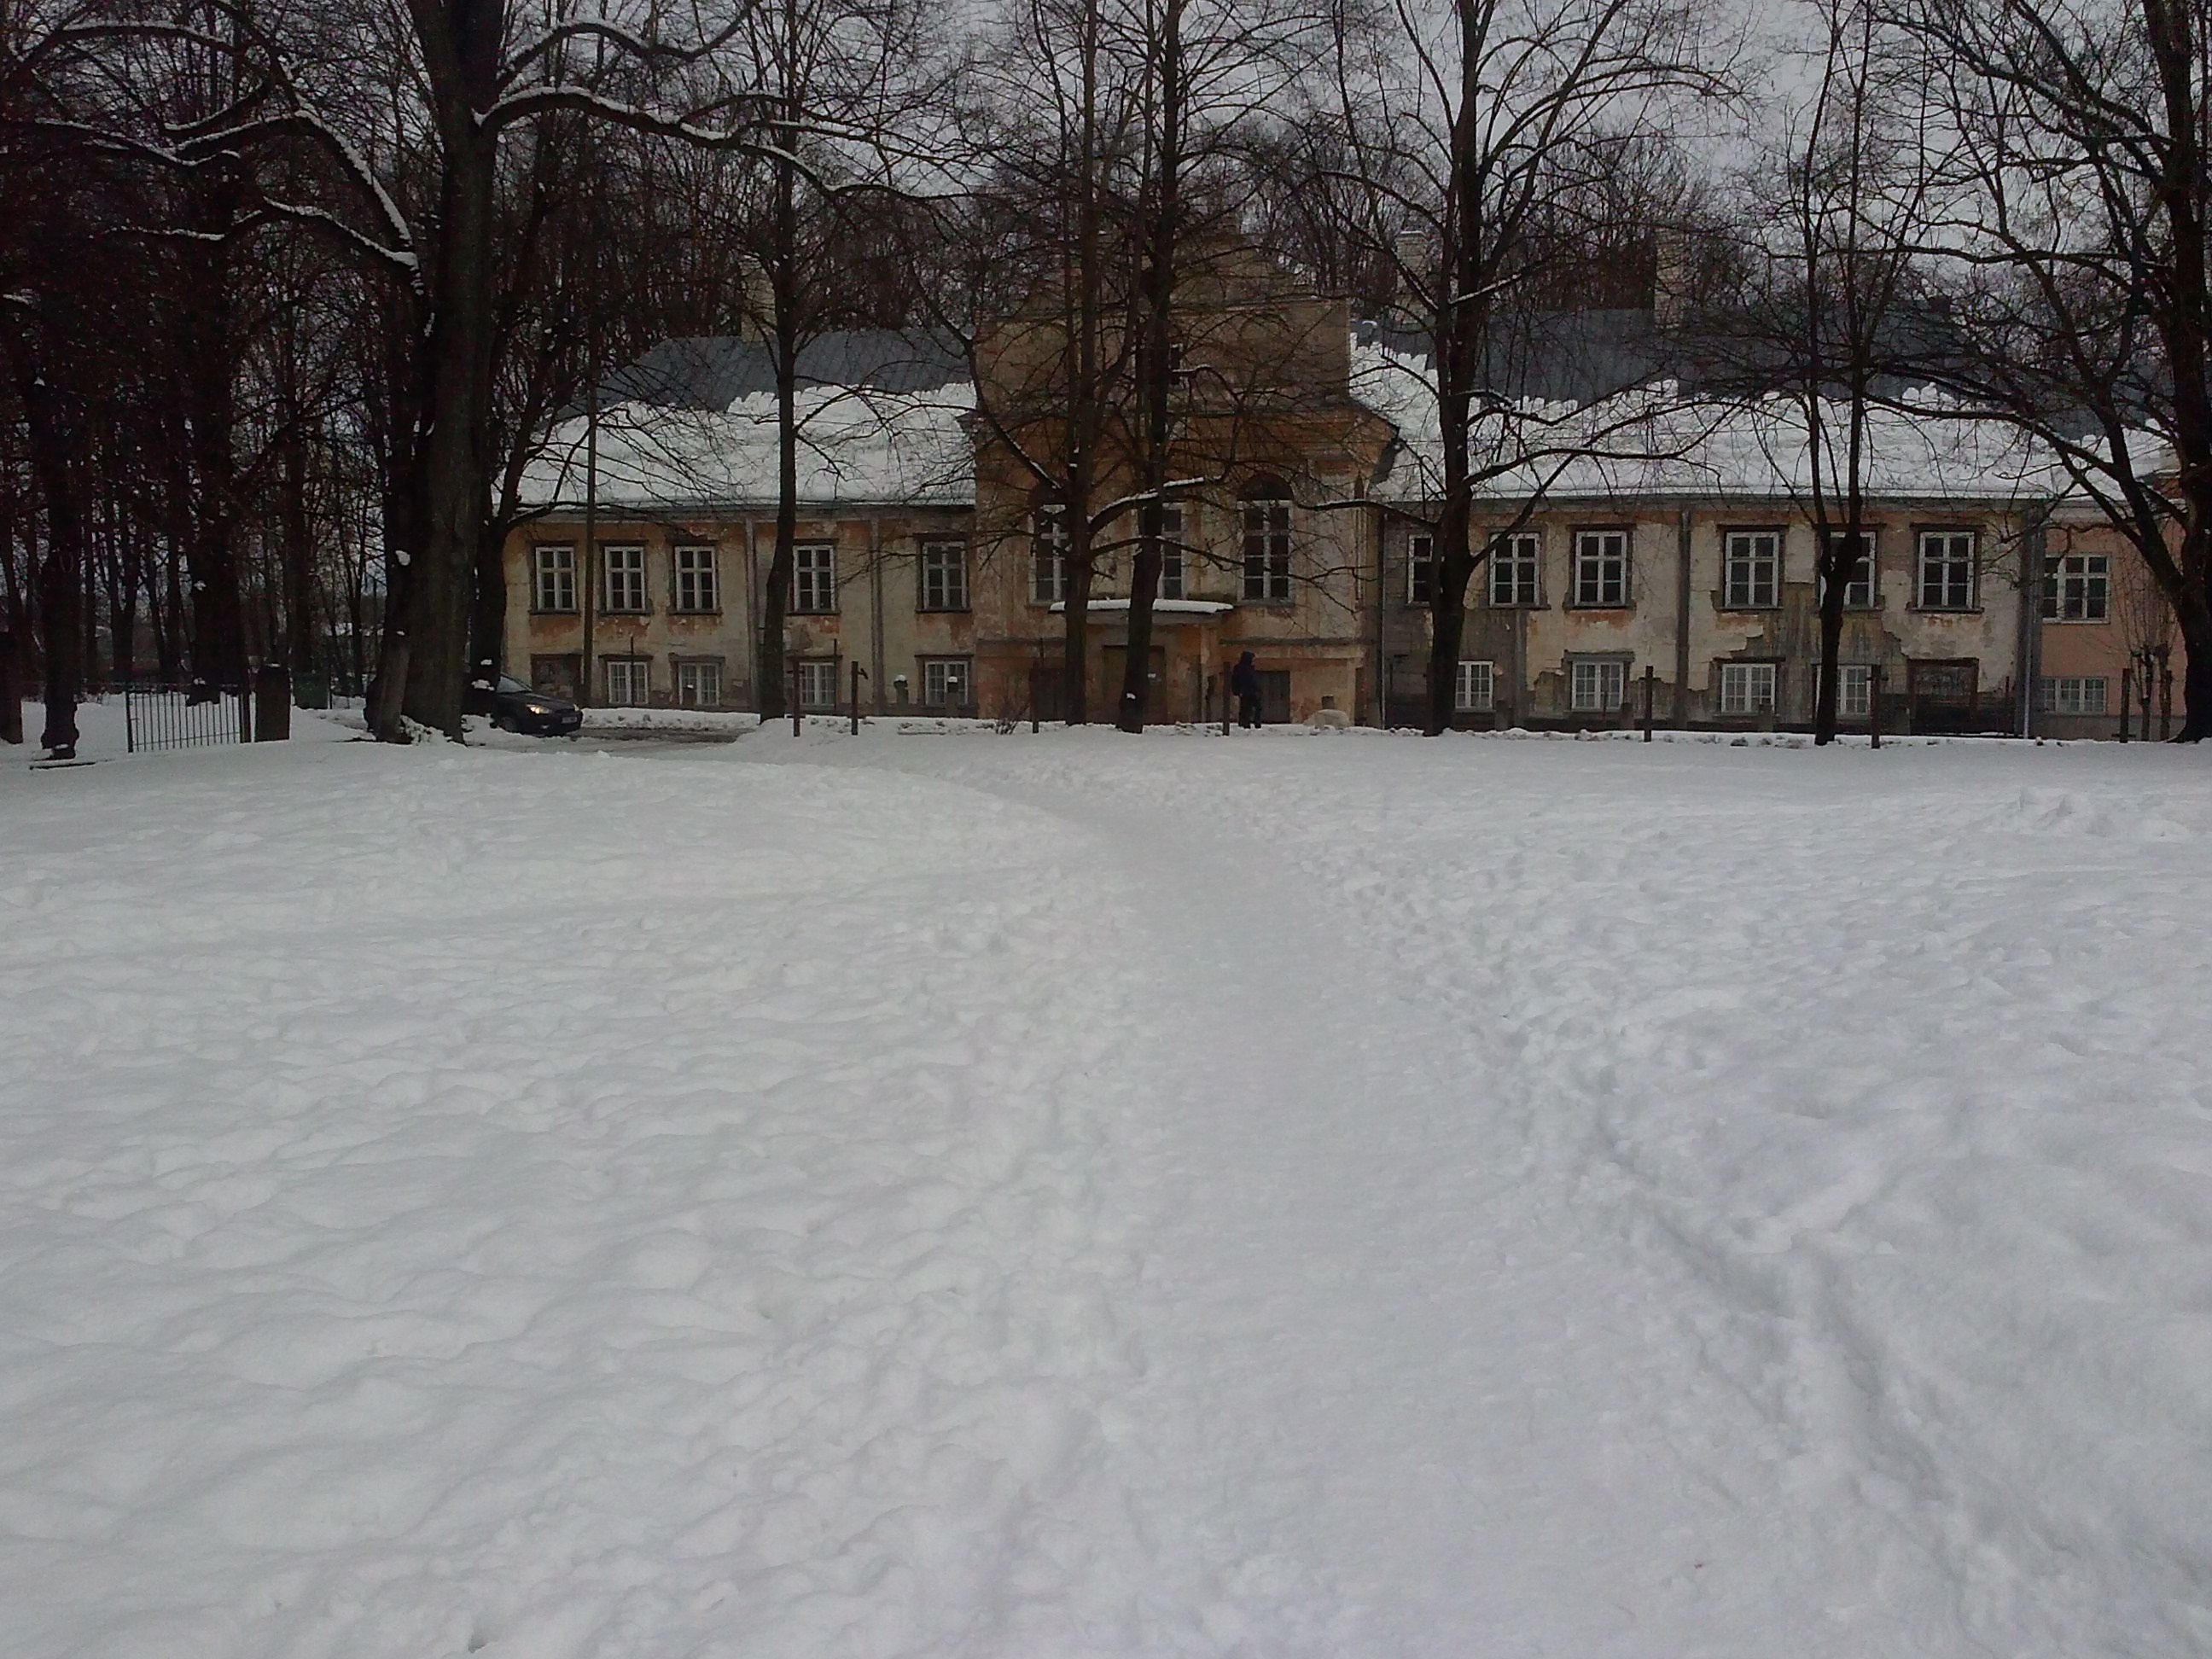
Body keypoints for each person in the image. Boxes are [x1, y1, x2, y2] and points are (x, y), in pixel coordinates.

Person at [1231, 650, 1262, 729]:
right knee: (1248, 707)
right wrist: (1238, 690)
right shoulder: (1241, 668)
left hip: (1250, 691)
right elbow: (1238, 680)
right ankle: (1246, 723)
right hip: (1246, 691)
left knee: (1251, 707)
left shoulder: (1248, 668)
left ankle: (1248, 722)